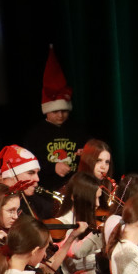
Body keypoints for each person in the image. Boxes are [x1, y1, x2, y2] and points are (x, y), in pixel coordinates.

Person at [21, 46, 87, 196]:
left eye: (64, 111)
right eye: (55, 111)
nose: (60, 115)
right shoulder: (35, 134)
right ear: (47, 111)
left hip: (75, 188)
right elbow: (29, 163)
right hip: (48, 190)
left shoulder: (77, 130)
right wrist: (53, 167)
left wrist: (86, 152)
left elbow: (91, 150)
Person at [0, 144, 50, 220]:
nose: (37, 179)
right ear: (12, 175)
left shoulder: (32, 201)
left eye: (37, 173)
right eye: (31, 173)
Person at [76, 139, 115, 210]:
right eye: (98, 161)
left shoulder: (108, 188)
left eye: (107, 162)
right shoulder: (74, 189)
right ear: (88, 160)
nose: (103, 167)